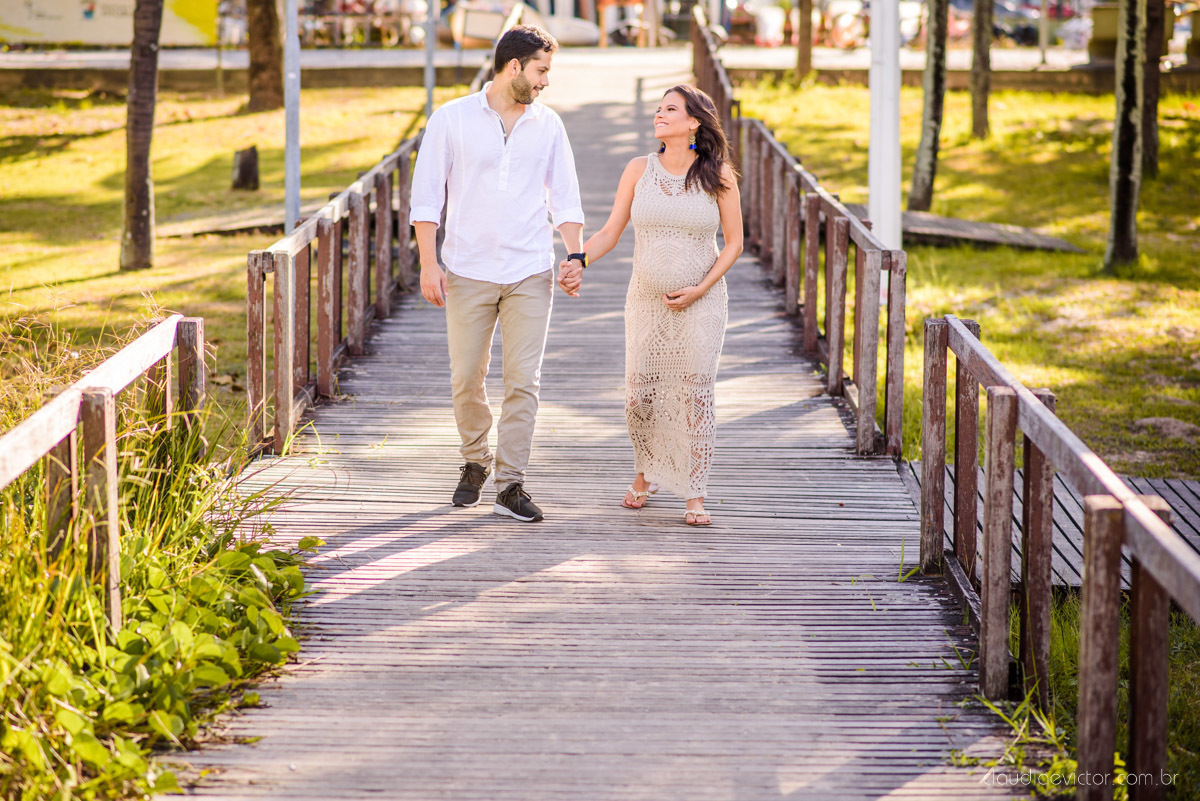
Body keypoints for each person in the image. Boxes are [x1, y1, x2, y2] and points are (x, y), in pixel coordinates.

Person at [410, 25, 585, 523]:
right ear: (514, 68)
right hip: (467, 269)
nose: (546, 81)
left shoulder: (548, 124)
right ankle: (474, 459)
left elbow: (565, 198)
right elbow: (427, 197)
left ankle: (510, 483)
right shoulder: (451, 119)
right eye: (541, 70)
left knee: (522, 380)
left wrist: (574, 257)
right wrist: (429, 262)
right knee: (466, 377)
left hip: (531, 269)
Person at [558, 85, 742, 526]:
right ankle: (648, 472)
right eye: (658, 109)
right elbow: (609, 232)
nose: (660, 115)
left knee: (694, 396)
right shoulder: (639, 169)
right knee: (641, 395)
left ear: (694, 121)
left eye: (671, 109)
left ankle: (694, 493)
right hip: (645, 301)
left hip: (703, 302)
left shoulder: (718, 175)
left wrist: (700, 288)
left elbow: (733, 244)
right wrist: (578, 257)